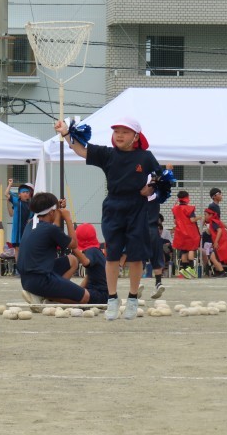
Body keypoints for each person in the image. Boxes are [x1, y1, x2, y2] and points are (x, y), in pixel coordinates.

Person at [56, 117, 161, 321]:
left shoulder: (145, 157)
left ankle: (132, 298)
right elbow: (81, 150)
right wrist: (66, 133)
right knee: (112, 255)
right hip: (113, 207)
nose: (120, 135)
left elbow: (160, 175)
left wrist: (151, 187)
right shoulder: (108, 154)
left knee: (136, 256)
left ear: (136, 136)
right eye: (116, 131)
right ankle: (112, 298)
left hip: (138, 208)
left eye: (125, 132)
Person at [17, 192, 85, 305]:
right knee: (84, 297)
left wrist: (57, 209)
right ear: (51, 212)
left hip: (27, 280)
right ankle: (49, 297)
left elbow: (55, 229)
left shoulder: (30, 224)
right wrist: (68, 219)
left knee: (72, 260)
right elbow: (74, 244)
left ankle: (43, 294)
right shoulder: (50, 229)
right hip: (41, 279)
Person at [72, 223, 108, 305]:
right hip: (102, 293)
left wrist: (74, 248)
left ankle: (52, 298)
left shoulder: (91, 251)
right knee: (74, 292)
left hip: (99, 294)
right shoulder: (96, 251)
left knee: (72, 293)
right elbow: (88, 277)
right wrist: (79, 289)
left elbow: (86, 263)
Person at [171, 190, 201, 279]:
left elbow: (175, 221)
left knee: (183, 251)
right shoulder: (189, 208)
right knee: (191, 249)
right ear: (187, 198)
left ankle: (184, 270)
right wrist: (199, 217)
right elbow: (192, 220)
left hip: (180, 232)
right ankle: (191, 268)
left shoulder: (175, 209)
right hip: (190, 232)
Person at [4, 178, 34, 260]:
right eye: (23, 192)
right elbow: (6, 193)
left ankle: (26, 265)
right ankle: (19, 267)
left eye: (27, 192)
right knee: (17, 248)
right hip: (17, 230)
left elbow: (36, 216)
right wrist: (10, 184)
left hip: (27, 229)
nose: (25, 194)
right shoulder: (16, 201)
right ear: (19, 194)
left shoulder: (32, 204)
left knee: (27, 248)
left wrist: (31, 219)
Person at [204, 207, 227, 277]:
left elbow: (219, 230)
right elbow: (221, 224)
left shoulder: (213, 222)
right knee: (215, 257)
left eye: (206, 215)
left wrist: (216, 242)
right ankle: (219, 272)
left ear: (210, 215)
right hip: (223, 241)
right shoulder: (215, 220)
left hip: (221, 242)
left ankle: (222, 272)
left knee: (213, 257)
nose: (205, 217)